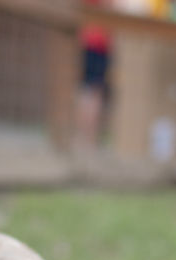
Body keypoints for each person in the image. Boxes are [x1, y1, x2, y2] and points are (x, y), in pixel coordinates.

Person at [76, 2, 112, 150]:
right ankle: (89, 139)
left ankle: (84, 138)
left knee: (86, 93)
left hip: (88, 42)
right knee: (93, 94)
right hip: (97, 45)